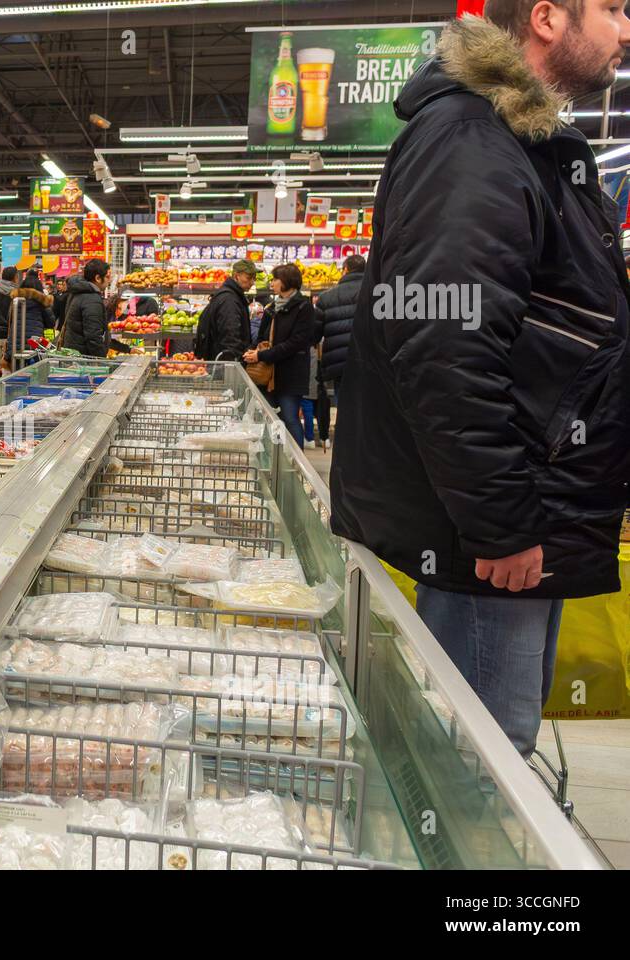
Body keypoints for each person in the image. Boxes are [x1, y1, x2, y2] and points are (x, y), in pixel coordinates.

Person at [330, 6, 630, 757]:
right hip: (494, 534)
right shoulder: (473, 139)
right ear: (548, 17)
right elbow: (443, 343)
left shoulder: (519, 141)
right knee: (480, 765)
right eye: (615, 9)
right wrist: (503, 520)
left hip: (524, 506)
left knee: (491, 748)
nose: (626, 29)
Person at [243, 263, 317, 447]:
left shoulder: (303, 308)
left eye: (275, 279)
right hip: (268, 374)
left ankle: (296, 466)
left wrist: (262, 356)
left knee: (290, 419)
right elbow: (261, 337)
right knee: (272, 420)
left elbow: (295, 343)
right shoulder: (271, 307)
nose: (272, 282)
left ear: (286, 282)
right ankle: (275, 462)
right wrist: (253, 351)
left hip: (291, 374)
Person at [316, 254, 365, 406]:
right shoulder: (378, 293)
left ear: (345, 270)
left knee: (344, 405)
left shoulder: (326, 297)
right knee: (368, 406)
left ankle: (345, 429)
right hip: (369, 360)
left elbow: (315, 334)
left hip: (338, 361)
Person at [196, 259, 255, 361]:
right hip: (224, 362)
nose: (252, 282)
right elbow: (230, 336)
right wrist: (233, 364)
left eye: (254, 278)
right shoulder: (229, 300)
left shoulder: (230, 295)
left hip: (218, 357)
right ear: (237, 276)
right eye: (249, 278)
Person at [61, 259, 112, 357]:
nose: (109, 280)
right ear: (97, 278)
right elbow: (93, 336)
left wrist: (126, 349)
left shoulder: (78, 292)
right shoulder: (91, 299)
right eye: (107, 277)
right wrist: (101, 359)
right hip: (83, 359)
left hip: (74, 354)